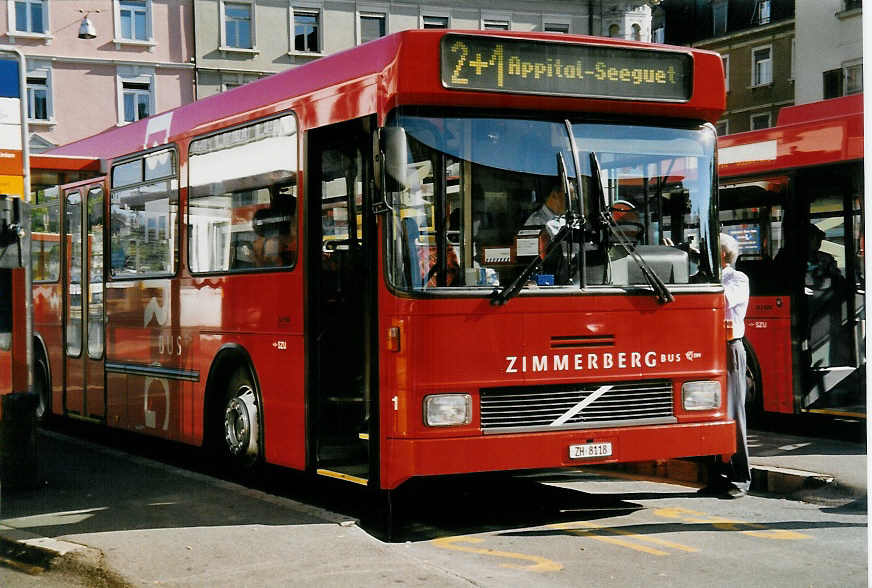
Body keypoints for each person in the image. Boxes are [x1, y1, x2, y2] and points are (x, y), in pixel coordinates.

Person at [703, 232, 751, 498]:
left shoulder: (737, 278)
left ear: (721, 254)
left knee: (734, 412)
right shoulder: (709, 278)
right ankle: (718, 476)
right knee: (713, 413)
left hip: (730, 346)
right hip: (709, 350)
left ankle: (740, 477)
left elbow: (720, 303)